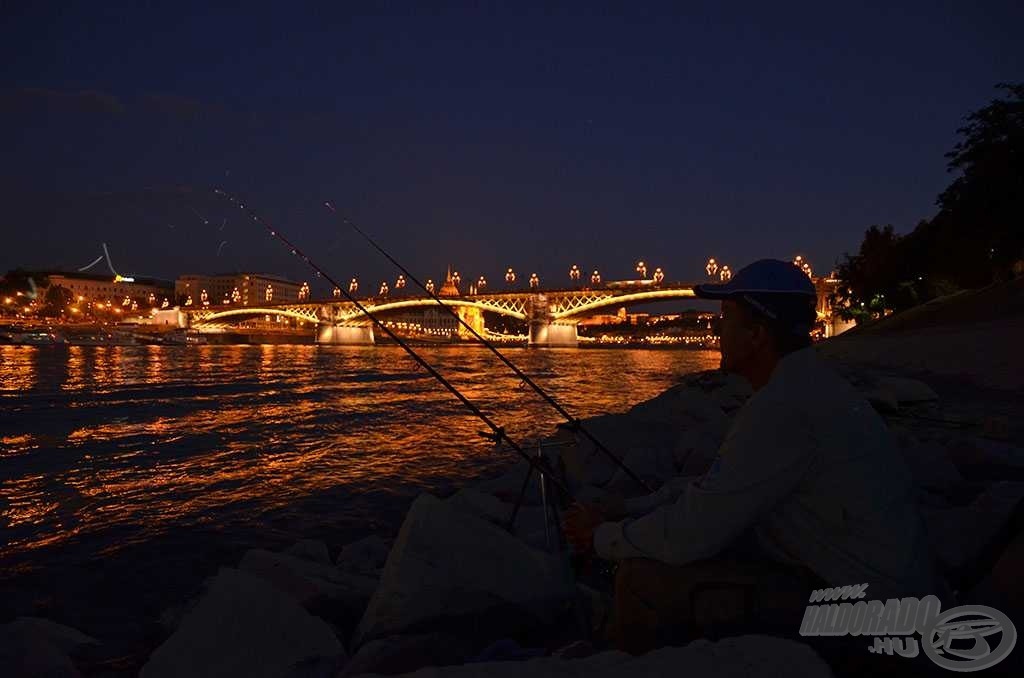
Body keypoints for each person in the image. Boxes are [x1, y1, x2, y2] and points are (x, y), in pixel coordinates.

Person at [563, 259, 937, 654]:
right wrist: (629, 507)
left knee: (642, 577)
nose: (716, 329)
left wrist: (602, 537)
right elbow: (717, 492)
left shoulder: (782, 409)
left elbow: (694, 531)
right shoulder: (810, 387)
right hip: (877, 586)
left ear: (757, 334)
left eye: (725, 318)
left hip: (872, 619)